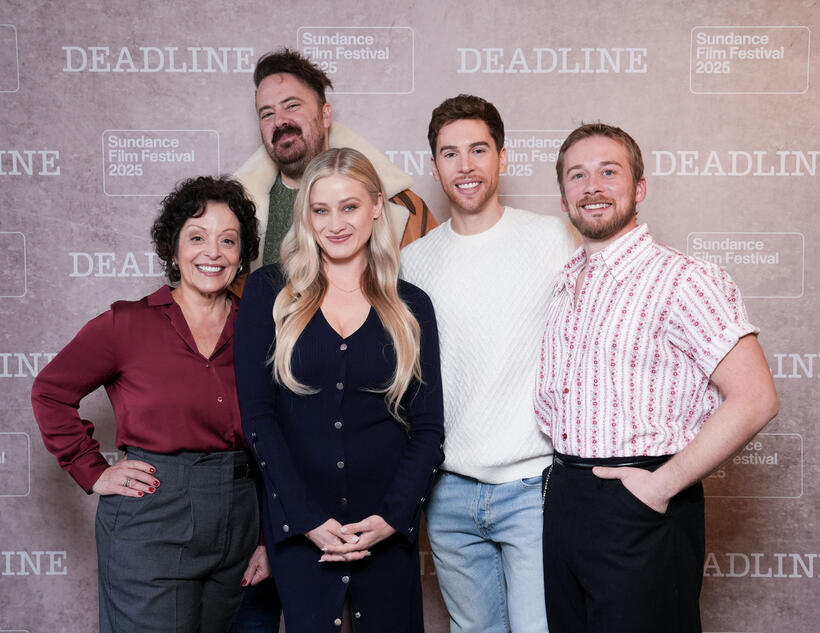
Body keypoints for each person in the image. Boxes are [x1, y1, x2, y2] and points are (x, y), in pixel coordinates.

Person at [534, 122, 779, 633]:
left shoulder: (684, 279)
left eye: (609, 171)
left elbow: (755, 398)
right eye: (577, 176)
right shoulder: (563, 283)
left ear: (639, 188)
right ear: (563, 198)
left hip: (642, 497)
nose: (592, 186)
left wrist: (660, 486)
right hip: (566, 500)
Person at [30, 176, 263, 633]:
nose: (212, 252)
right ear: (173, 251)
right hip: (154, 517)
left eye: (228, 240)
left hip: (241, 514)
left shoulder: (262, 328)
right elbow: (50, 392)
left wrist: (270, 536)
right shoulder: (126, 325)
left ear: (241, 256)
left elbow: (282, 433)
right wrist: (93, 469)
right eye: (197, 238)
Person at [234, 147, 444, 633]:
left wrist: (392, 518)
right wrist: (306, 518)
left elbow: (429, 427)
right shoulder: (270, 292)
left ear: (376, 206)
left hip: (386, 527)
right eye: (320, 209)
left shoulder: (412, 306)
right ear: (305, 214)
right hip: (302, 527)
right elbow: (259, 418)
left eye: (349, 207)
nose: (335, 223)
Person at [400, 94, 578, 633]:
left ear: (502, 156)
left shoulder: (554, 238)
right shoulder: (413, 261)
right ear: (434, 167)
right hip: (448, 490)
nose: (466, 166)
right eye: (450, 154)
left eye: (479, 149)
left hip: (535, 486)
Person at [234, 48, 436, 274]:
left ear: (325, 115)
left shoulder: (403, 207)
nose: (280, 121)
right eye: (267, 114)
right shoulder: (236, 212)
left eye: (292, 106)